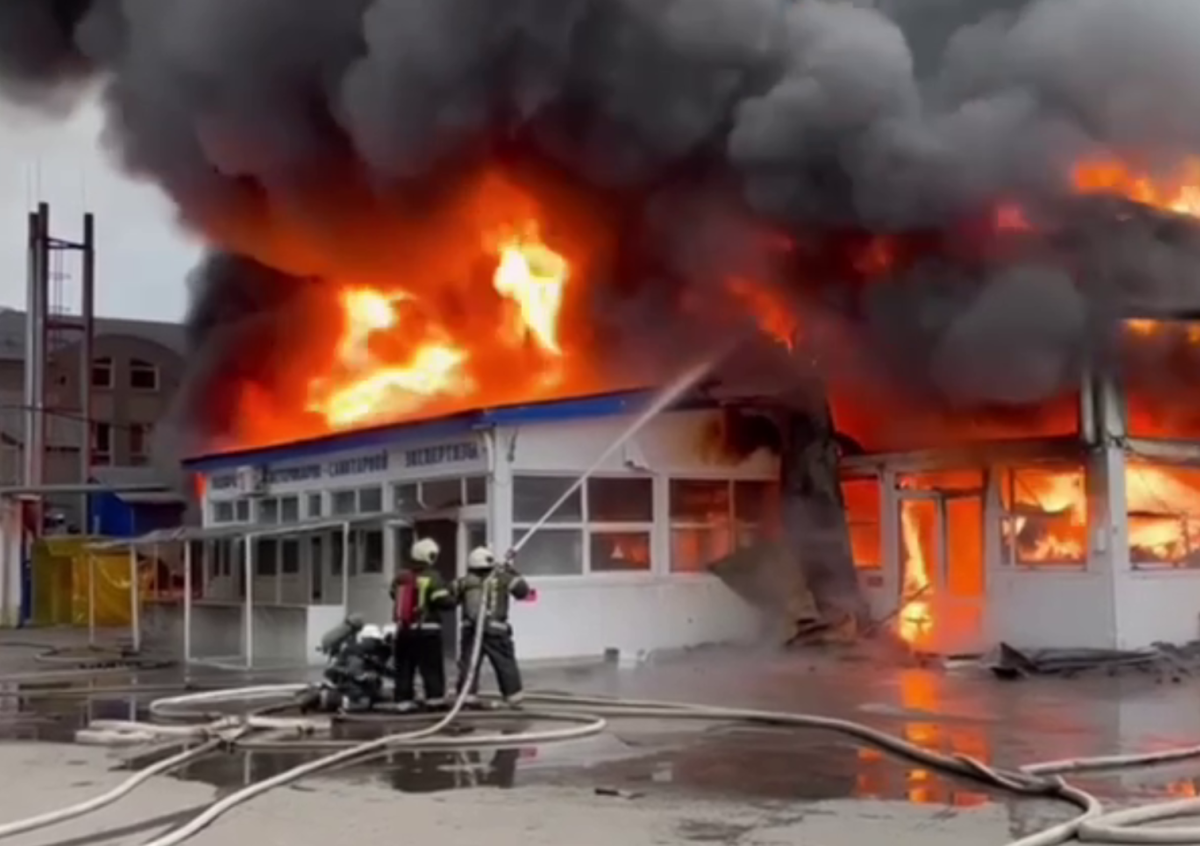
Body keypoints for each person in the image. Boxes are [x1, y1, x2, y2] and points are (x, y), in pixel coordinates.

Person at [454, 546, 531, 707]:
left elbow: (449, 600)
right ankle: (513, 697)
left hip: (471, 631)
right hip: (496, 631)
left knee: (469, 664)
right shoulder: (503, 578)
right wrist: (511, 571)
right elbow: (524, 592)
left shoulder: (463, 582)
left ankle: (466, 697)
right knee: (505, 664)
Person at [390, 537, 455, 711]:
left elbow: (393, 594)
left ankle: (403, 701)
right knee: (431, 668)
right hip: (428, 631)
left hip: (404, 630)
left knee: (404, 668)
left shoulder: (401, 577)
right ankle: (434, 701)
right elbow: (444, 601)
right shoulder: (433, 577)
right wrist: (453, 595)